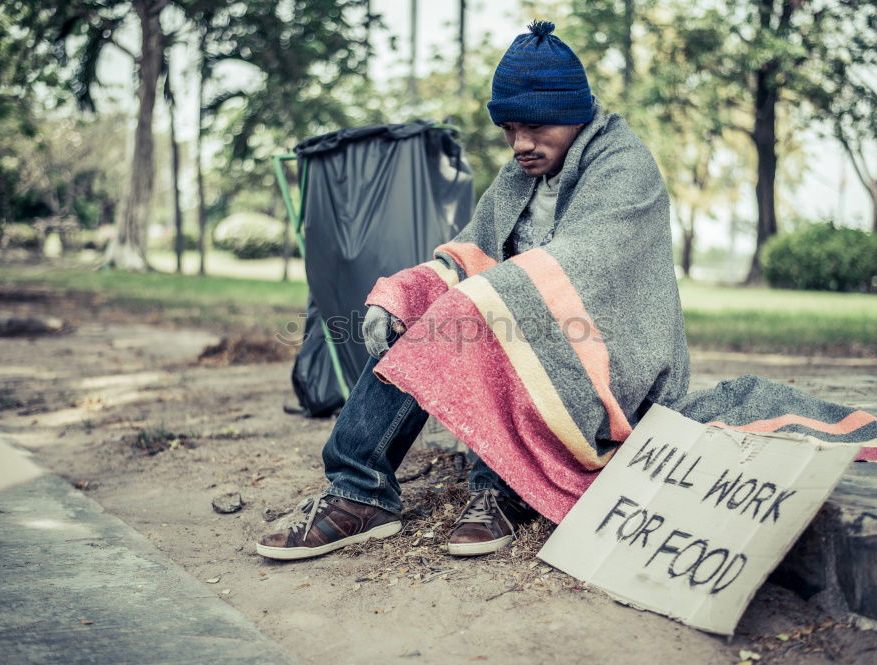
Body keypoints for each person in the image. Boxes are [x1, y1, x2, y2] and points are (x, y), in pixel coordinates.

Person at [256, 20, 690, 560]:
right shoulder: (521, 174)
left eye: (535, 127)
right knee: (419, 312)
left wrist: (475, 300)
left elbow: (586, 268)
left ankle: (501, 490)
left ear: (573, 113)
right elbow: (468, 254)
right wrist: (405, 293)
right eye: (509, 128)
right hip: (525, 326)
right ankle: (358, 491)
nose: (521, 144)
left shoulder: (624, 166)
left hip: (611, 361)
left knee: (481, 312)